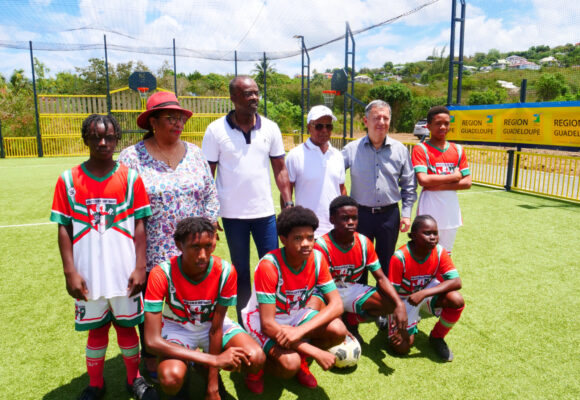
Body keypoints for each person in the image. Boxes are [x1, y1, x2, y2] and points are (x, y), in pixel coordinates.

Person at [50, 114, 158, 400]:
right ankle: (95, 384)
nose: (102, 142)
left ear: (116, 139)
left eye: (109, 137)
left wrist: (140, 266)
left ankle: (134, 379)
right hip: (88, 273)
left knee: (127, 328)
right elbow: (64, 228)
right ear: (85, 138)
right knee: (96, 332)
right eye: (96, 136)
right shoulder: (68, 179)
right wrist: (69, 271)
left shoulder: (131, 178)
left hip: (124, 272)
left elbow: (139, 226)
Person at [119, 91, 220, 377]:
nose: (178, 123)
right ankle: (151, 355)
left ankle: (194, 348)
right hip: (153, 250)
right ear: (153, 121)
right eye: (170, 118)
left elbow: (210, 195)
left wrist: (210, 228)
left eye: (181, 118)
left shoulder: (195, 153)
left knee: (196, 302)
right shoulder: (132, 157)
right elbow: (125, 204)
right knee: (152, 306)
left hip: (195, 249)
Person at [202, 76, 293, 322]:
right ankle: (245, 321)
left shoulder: (270, 128)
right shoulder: (215, 130)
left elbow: (281, 169)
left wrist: (287, 204)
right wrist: (209, 214)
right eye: (247, 93)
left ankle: (272, 318)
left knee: (271, 267)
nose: (254, 98)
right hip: (232, 216)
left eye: (256, 93)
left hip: (265, 214)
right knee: (241, 271)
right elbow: (207, 175)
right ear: (233, 97)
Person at [144, 217, 266, 398]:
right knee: (171, 379)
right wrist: (214, 359)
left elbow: (216, 329)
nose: (202, 255)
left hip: (212, 326)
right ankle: (190, 369)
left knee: (255, 358)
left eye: (208, 245)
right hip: (179, 328)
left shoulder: (225, 271)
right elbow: (152, 342)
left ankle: (201, 367)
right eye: (195, 247)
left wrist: (213, 385)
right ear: (179, 245)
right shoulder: (161, 273)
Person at [241, 206, 347, 389]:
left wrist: (299, 331)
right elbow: (267, 324)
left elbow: (337, 305)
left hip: (295, 316)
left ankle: (302, 360)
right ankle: (256, 369)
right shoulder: (269, 265)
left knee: (338, 329)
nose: (306, 243)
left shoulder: (317, 259)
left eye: (310, 237)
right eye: (298, 238)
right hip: (263, 320)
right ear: (284, 240)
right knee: (290, 364)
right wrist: (315, 351)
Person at [308, 195, 407, 342]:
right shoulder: (321, 246)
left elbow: (380, 277)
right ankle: (324, 330)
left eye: (354, 218)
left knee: (389, 302)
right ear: (332, 219)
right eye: (345, 218)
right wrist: (337, 318)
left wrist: (399, 304)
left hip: (349, 288)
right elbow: (320, 286)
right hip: (325, 292)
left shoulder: (363, 243)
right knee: (316, 313)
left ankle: (352, 319)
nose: (351, 223)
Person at [342, 99, 417, 280]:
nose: (381, 122)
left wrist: (406, 213)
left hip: (389, 216)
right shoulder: (351, 150)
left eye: (385, 118)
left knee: (385, 265)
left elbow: (409, 184)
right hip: (360, 216)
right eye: (376, 118)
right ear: (366, 121)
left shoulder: (400, 150)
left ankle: (383, 305)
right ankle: (360, 305)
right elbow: (332, 176)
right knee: (359, 263)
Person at [387, 215, 465, 362]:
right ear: (413, 236)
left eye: (435, 233)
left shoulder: (440, 251)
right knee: (401, 347)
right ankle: (396, 323)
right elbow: (392, 295)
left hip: (424, 294)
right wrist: (401, 321)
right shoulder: (400, 257)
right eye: (427, 233)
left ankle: (437, 337)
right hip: (403, 300)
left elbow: (456, 281)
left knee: (456, 300)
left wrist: (424, 293)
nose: (433, 237)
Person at [411, 105, 472, 255]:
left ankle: (442, 279)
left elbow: (467, 183)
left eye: (446, 123)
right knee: (426, 250)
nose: (443, 127)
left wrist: (437, 184)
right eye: (438, 123)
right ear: (428, 126)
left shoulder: (458, 149)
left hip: (450, 208)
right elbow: (423, 180)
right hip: (430, 205)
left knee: (446, 254)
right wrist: (453, 177)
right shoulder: (421, 149)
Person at [285, 105, 346, 237]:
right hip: (306, 230)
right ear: (309, 127)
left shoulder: (338, 155)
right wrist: (289, 222)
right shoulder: (295, 155)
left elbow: (341, 189)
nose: (324, 130)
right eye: (319, 126)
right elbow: (286, 191)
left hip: (334, 229)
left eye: (328, 126)